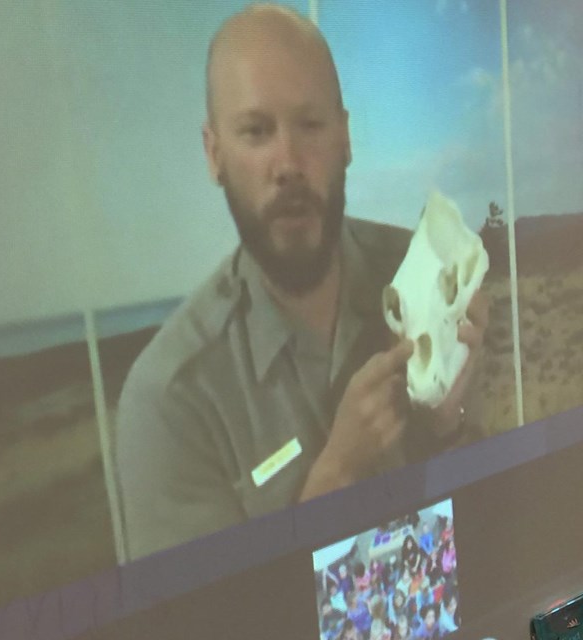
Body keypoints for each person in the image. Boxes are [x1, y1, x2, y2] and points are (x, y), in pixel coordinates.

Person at [116, 3, 489, 560]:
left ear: (345, 138)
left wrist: (446, 426)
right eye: (256, 131)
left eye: (310, 125)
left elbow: (490, 542)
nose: (288, 162)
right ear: (214, 155)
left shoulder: (423, 275)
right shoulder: (170, 404)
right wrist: (334, 477)